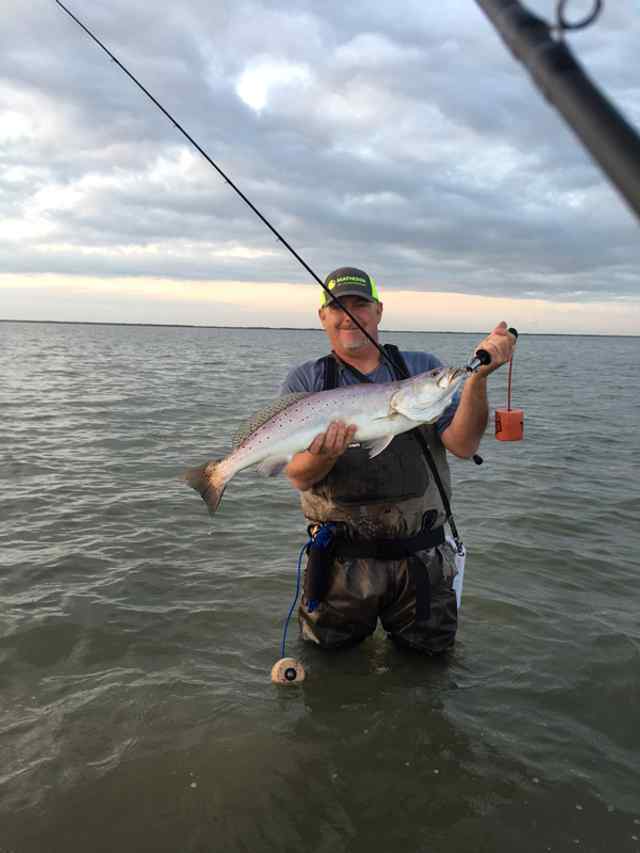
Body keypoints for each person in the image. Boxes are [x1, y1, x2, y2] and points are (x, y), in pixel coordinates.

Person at [281, 266, 515, 654]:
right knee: (331, 669)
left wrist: (477, 381)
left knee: (427, 672)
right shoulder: (306, 380)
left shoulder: (420, 366)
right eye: (337, 306)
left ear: (379, 310)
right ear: (323, 316)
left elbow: (463, 444)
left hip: (423, 558)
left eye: (360, 304)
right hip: (339, 561)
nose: (348, 315)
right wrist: (325, 455)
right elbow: (298, 478)